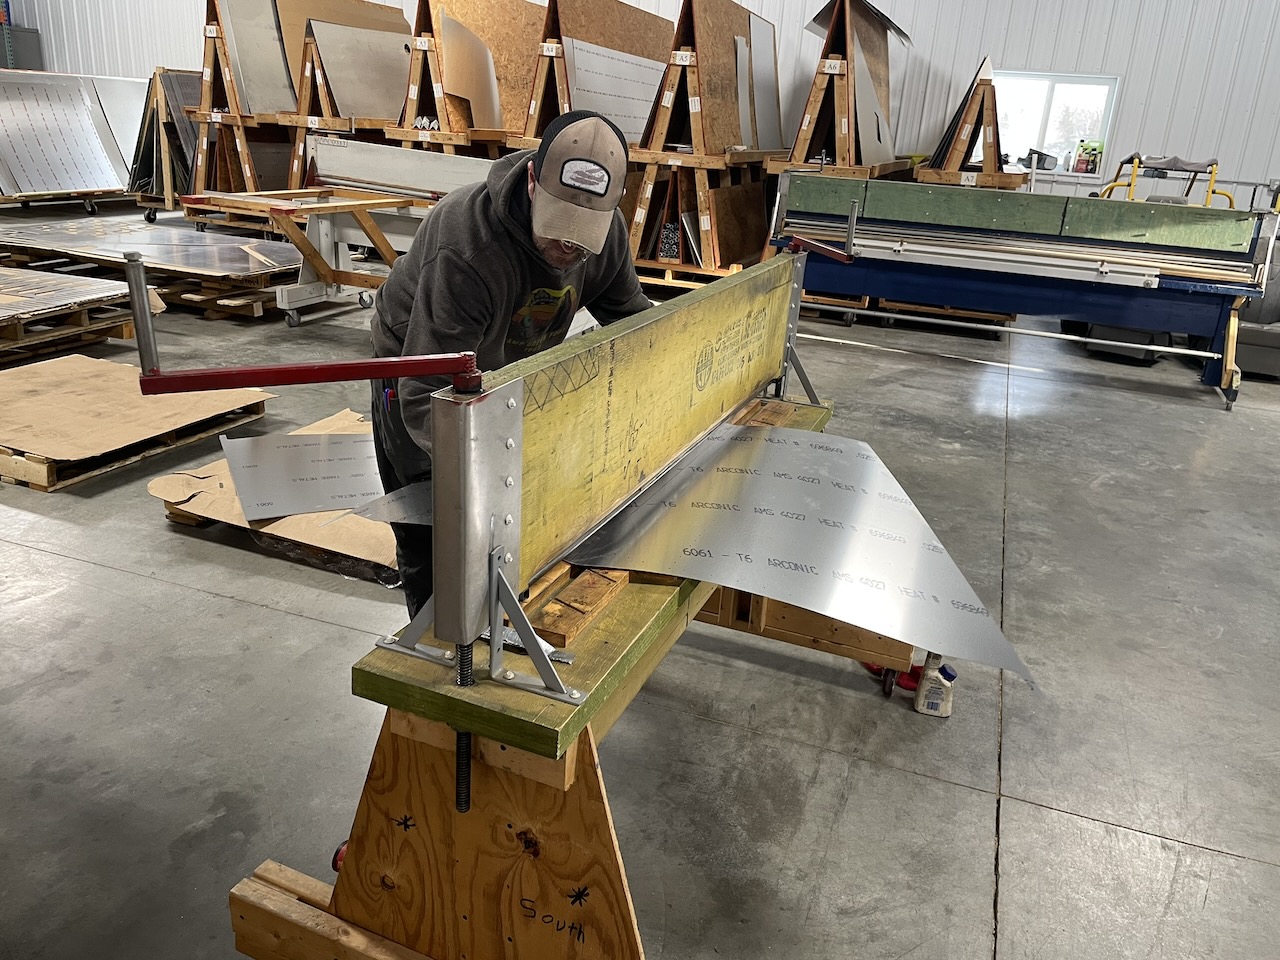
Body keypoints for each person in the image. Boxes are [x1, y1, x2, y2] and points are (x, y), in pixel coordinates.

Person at [370, 110, 651, 618]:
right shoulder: (467, 245)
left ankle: (495, 619)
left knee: (511, 518)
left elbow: (635, 324)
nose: (569, 245)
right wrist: (488, 477)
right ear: (531, 180)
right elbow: (426, 391)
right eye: (559, 223)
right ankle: (437, 641)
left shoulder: (607, 237)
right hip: (414, 366)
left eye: (583, 232)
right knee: (434, 528)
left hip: (507, 367)